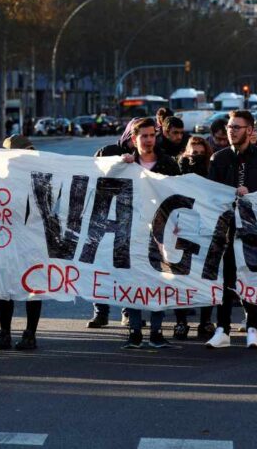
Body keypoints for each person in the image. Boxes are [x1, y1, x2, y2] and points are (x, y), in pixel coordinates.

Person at [206, 110, 257, 350]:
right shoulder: (218, 159)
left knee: (253, 277)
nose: (231, 131)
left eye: (236, 127)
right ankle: (222, 329)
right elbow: (209, 193)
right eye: (229, 127)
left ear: (250, 130)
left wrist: (253, 193)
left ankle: (253, 329)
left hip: (255, 228)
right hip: (226, 229)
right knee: (225, 279)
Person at [120, 117, 181, 349]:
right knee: (132, 279)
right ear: (134, 139)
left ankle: (156, 332)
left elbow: (180, 194)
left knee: (160, 279)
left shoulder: (168, 164)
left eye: (151, 136)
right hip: (132, 230)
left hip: (163, 231)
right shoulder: (125, 165)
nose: (148, 140)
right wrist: (120, 165)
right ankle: (135, 331)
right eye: (143, 136)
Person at [87, 118, 141, 328]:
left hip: (130, 217)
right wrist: (119, 163)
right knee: (100, 264)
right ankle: (101, 312)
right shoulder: (107, 151)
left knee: (125, 265)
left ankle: (127, 311)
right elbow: (93, 175)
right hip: (103, 215)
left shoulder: (147, 156)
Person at [0, 135, 43, 351]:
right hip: (7, 239)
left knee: (33, 287)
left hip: (33, 239)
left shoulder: (40, 174)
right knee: (5, 288)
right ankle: (5, 332)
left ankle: (30, 333)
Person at [175, 135, 216, 341]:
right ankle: (181, 322)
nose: (197, 157)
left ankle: (205, 322)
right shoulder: (177, 170)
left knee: (206, 277)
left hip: (206, 230)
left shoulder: (212, 171)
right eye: (193, 153)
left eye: (201, 153)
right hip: (181, 230)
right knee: (180, 278)